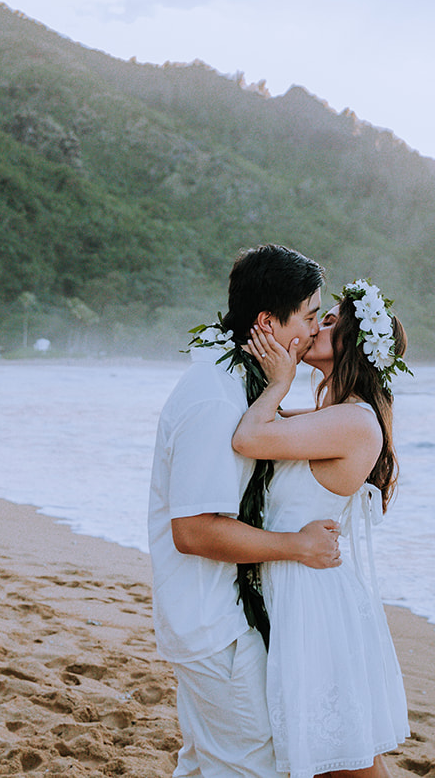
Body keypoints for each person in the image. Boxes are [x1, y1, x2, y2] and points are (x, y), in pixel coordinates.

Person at [148, 244, 344, 778]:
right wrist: (298, 546)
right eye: (307, 316)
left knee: (210, 762)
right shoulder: (216, 398)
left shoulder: (237, 384)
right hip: (213, 621)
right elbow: (192, 531)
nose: (312, 330)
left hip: (216, 614)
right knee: (251, 764)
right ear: (267, 322)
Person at [232, 278, 412, 778]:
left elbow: (249, 438)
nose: (314, 327)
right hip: (300, 585)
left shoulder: (353, 422)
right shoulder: (328, 415)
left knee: (347, 763)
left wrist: (278, 381)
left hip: (312, 598)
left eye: (328, 321)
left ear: (352, 344)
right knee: (343, 757)